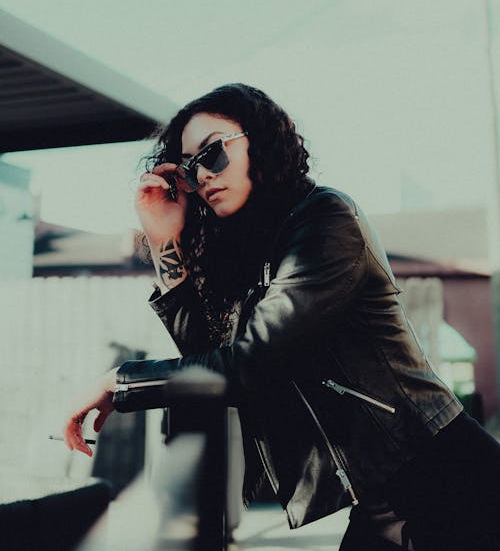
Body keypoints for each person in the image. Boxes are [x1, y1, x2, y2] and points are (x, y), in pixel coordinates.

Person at [64, 83, 500, 550]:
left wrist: (120, 383)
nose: (203, 175)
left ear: (261, 141)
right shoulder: (255, 254)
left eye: (212, 153)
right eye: (189, 168)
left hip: (448, 478)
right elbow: (208, 360)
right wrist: (164, 240)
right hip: (379, 498)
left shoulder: (326, 220)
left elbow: (249, 365)